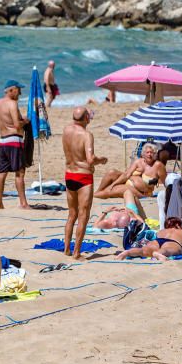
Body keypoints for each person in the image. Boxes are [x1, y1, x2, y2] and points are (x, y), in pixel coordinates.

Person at [62, 107, 108, 259]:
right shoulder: (87, 135)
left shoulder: (66, 130)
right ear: (86, 118)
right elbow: (90, 159)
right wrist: (102, 160)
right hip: (83, 177)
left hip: (69, 175)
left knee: (71, 215)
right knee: (83, 215)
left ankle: (67, 249)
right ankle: (76, 253)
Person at [0, 80, 33, 210]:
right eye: (18, 90)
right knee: (20, 173)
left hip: (3, 140)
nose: (20, 92)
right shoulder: (12, 103)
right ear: (11, 90)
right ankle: (23, 203)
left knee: (2, 173)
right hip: (14, 140)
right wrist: (25, 121)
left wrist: (7, 124)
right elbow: (17, 125)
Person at [95, 143, 165, 199]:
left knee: (112, 190)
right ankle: (98, 191)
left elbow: (165, 181)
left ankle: (95, 195)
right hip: (129, 182)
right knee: (112, 172)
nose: (149, 154)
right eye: (147, 152)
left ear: (155, 154)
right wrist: (114, 184)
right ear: (143, 154)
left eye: (152, 152)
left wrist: (154, 181)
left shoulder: (158, 165)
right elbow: (126, 175)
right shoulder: (138, 162)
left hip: (141, 192)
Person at [115, 217, 182, 261]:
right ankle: (158, 254)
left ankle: (127, 252)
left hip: (157, 240)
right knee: (167, 249)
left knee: (143, 250)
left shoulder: (161, 231)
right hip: (173, 242)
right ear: (179, 225)